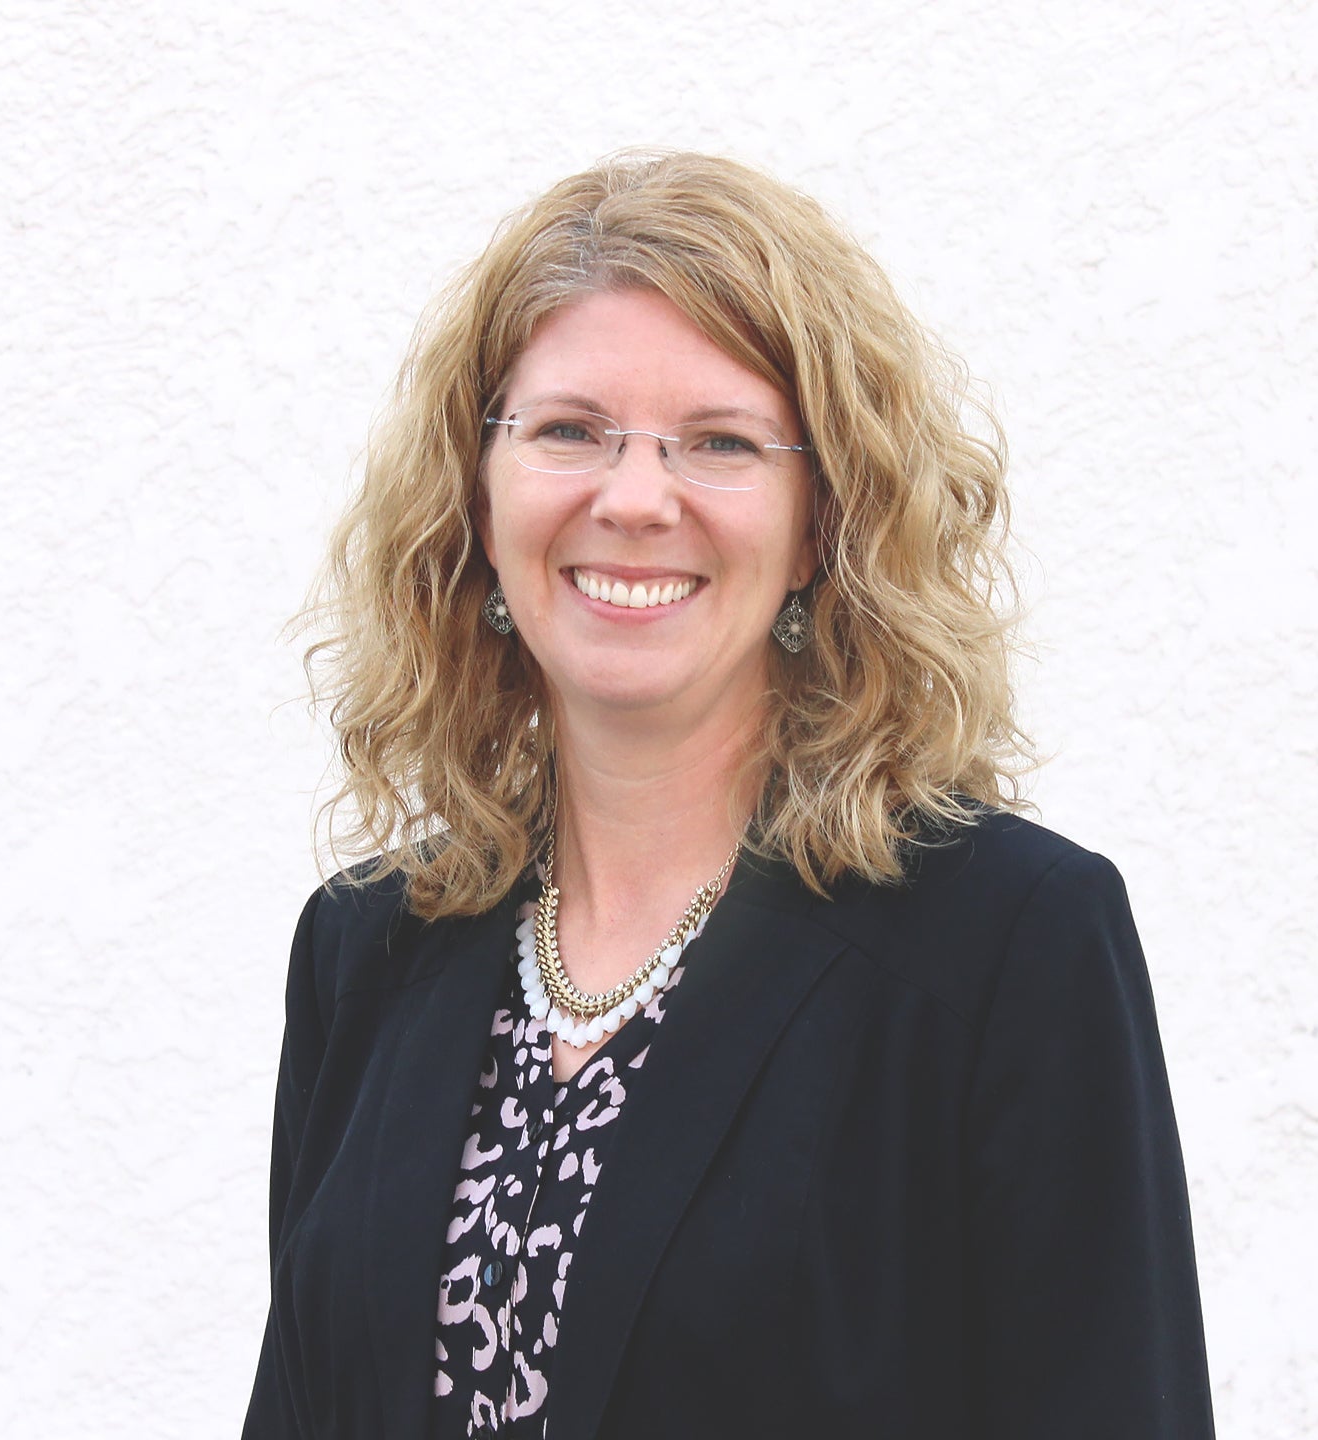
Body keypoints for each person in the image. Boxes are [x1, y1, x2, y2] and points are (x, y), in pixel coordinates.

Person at [243, 151, 1213, 1439]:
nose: (635, 498)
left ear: (823, 522)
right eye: (570, 430)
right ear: (480, 498)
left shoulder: (1009, 943)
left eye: (720, 442)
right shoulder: (366, 946)